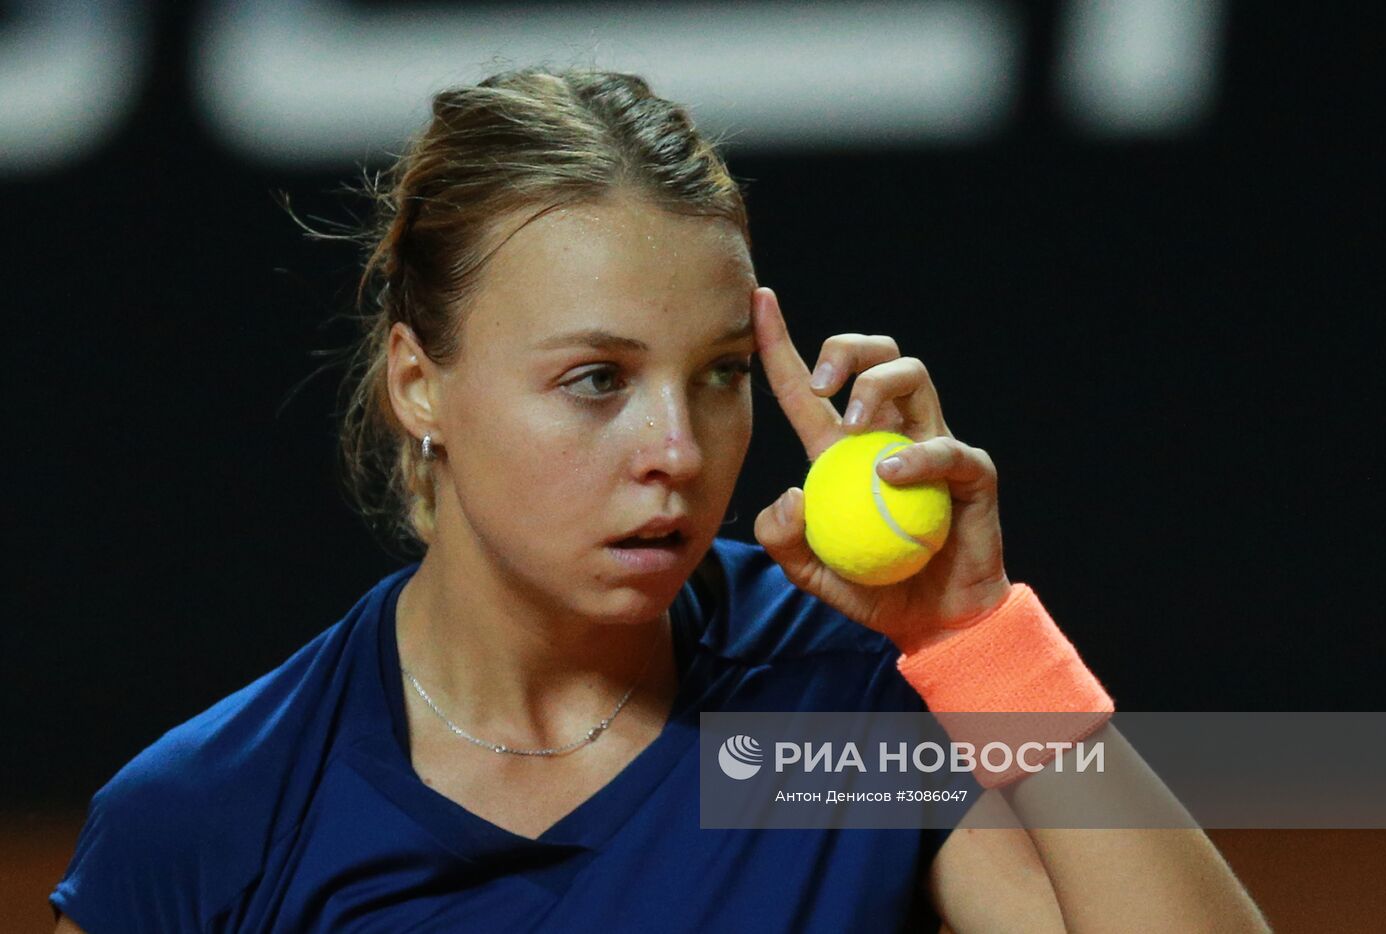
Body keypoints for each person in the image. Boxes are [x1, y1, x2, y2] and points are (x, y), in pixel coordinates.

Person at [50, 67, 1270, 933]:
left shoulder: (808, 722)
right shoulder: (220, 820)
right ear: (420, 381)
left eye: (719, 377)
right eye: (596, 380)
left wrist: (978, 640)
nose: (678, 450)